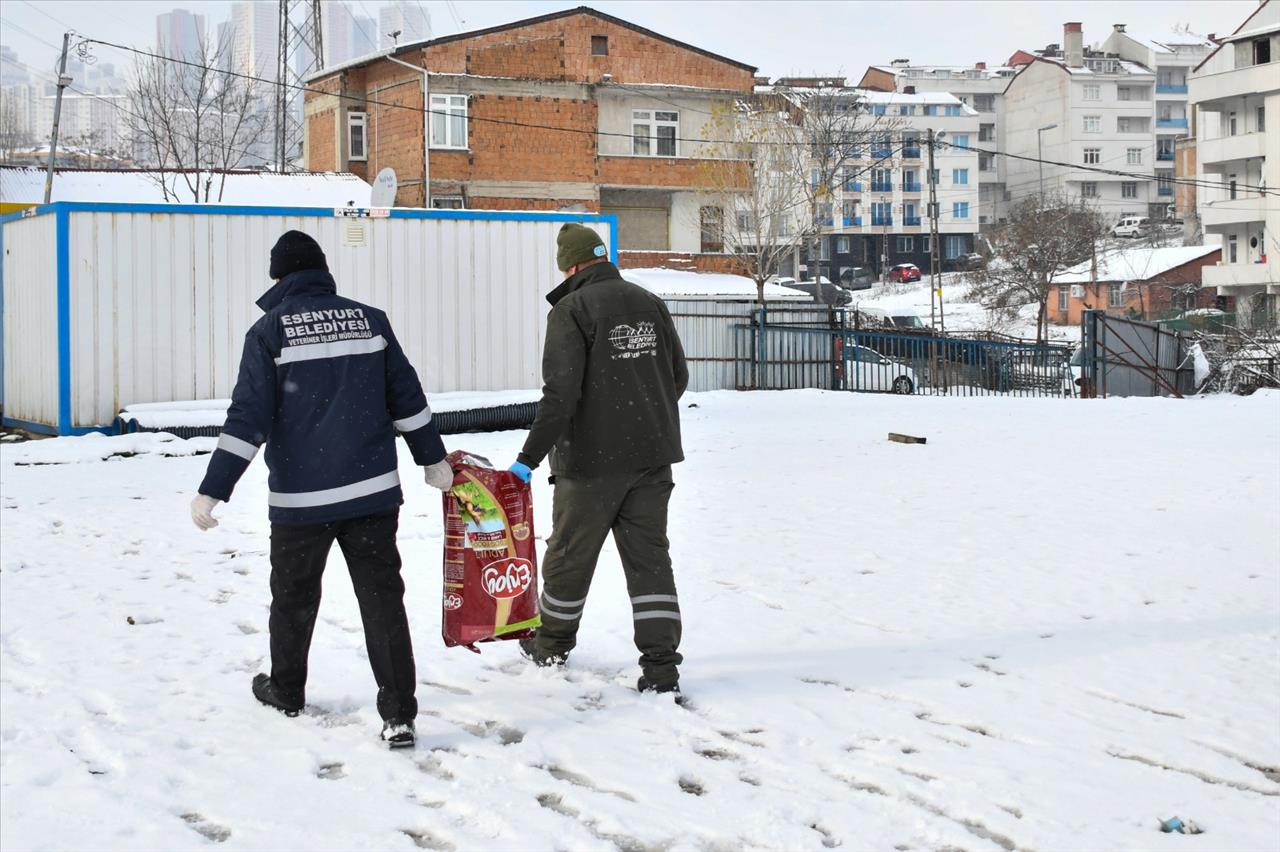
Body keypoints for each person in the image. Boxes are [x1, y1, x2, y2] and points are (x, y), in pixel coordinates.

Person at [189, 230, 453, 748]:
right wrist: (432, 459)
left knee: (292, 598)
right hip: (372, 495)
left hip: (301, 503)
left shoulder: (269, 332)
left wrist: (213, 489)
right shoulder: (369, 320)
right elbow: (407, 396)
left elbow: (249, 419)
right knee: (382, 601)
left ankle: (287, 689)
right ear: (322, 271)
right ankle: (398, 712)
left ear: (280, 278)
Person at [510, 223, 688, 697]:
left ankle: (551, 644)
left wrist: (527, 458)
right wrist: (640, 417)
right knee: (650, 562)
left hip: (590, 464)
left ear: (569, 266)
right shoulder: (648, 301)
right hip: (652, 459)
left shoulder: (572, 308)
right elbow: (677, 376)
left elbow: (559, 395)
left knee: (569, 555)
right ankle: (661, 668)